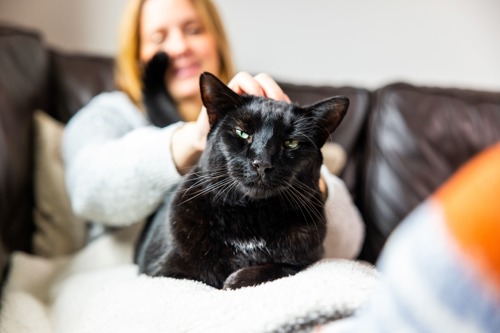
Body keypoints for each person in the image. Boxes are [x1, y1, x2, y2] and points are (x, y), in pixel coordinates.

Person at [62, 0, 364, 259]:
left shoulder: (266, 118)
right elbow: (87, 190)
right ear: (136, 53)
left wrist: (307, 179)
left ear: (216, 40)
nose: (180, 47)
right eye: (158, 37)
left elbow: (349, 243)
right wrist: (193, 139)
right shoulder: (113, 113)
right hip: (121, 273)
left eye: (193, 30)